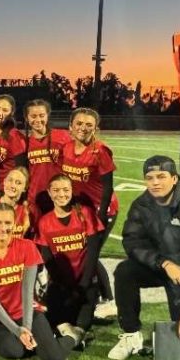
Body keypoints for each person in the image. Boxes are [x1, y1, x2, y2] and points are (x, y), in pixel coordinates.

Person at [109, 156, 180, 360]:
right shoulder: (142, 204)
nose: (155, 182)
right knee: (125, 272)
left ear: (174, 179)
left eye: (161, 176)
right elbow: (132, 241)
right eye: (149, 177)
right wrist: (163, 263)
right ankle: (131, 334)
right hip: (165, 266)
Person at [0, 204, 76, 360]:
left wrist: (26, 326)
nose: (3, 228)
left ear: (14, 223)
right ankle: (40, 340)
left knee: (54, 357)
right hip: (1, 320)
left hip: (28, 313)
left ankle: (72, 337)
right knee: (13, 351)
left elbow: (27, 291)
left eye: (7, 223)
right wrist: (18, 331)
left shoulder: (27, 247)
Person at [59, 107, 119, 319]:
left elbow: (108, 187)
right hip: (80, 211)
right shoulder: (65, 148)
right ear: (70, 127)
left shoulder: (100, 151)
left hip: (101, 211)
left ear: (96, 129)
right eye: (79, 124)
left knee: (88, 256)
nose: (83, 128)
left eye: (88, 125)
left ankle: (109, 300)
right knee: (83, 254)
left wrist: (100, 216)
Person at [34, 174, 104, 347]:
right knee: (55, 315)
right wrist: (63, 285)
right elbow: (48, 258)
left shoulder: (85, 213)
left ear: (72, 191)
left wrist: (85, 283)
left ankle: (75, 335)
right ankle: (71, 335)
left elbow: (93, 251)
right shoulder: (44, 222)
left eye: (66, 190)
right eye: (56, 190)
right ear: (49, 193)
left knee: (82, 322)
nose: (61, 194)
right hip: (62, 285)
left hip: (85, 282)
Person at [22, 99, 72, 214]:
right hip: (35, 198)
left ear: (47, 116)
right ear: (26, 118)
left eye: (41, 115)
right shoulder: (24, 142)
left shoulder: (61, 136)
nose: (38, 120)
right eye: (33, 116)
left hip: (60, 197)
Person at [0, 94, 27, 197]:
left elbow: (21, 169)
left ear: (11, 113)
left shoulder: (14, 136)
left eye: (5, 110)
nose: (0, 113)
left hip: (6, 191)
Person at [0, 167, 34, 240]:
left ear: (25, 188)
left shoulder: (29, 210)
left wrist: (25, 229)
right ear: (4, 182)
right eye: (10, 180)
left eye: (18, 183)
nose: (12, 186)